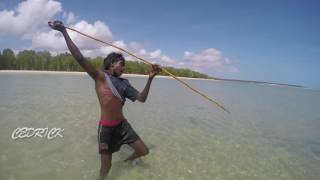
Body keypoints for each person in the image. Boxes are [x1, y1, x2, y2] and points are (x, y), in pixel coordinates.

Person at [48, 20, 161, 179]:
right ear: (112, 64)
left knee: (144, 151)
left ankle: (126, 162)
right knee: (106, 167)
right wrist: (63, 32)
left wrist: (151, 78)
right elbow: (80, 58)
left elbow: (141, 99)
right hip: (106, 129)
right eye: (122, 64)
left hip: (123, 127)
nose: (124, 68)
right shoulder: (100, 77)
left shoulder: (125, 84)